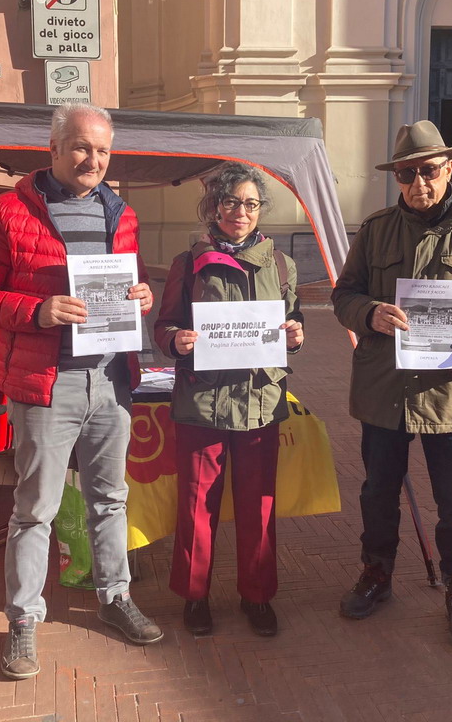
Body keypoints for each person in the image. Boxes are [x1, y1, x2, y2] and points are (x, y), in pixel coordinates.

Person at [0, 102, 163, 681]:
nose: (93, 160)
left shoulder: (121, 212)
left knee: (110, 499)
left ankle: (115, 596)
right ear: (53, 149)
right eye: (82, 147)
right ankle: (23, 619)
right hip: (46, 386)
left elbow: (130, 279)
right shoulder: (7, 211)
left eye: (103, 150)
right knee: (35, 510)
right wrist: (37, 310)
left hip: (111, 381)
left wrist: (143, 295)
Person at [331, 121, 452, 650]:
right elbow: (344, 294)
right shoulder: (376, 230)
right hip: (384, 390)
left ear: (448, 168)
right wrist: (368, 313)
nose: (418, 183)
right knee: (377, 494)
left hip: (450, 392)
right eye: (406, 174)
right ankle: (376, 575)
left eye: (428, 171)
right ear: (396, 177)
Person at [153, 162, 304, 638]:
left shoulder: (282, 265)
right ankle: (194, 595)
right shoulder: (187, 263)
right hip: (203, 402)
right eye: (232, 202)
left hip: (260, 402)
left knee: (259, 506)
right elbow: (165, 325)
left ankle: (257, 596)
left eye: (251, 204)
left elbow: (292, 319)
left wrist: (296, 335)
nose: (242, 211)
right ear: (215, 206)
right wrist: (175, 340)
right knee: (197, 505)